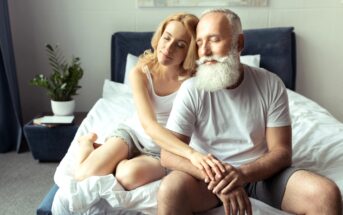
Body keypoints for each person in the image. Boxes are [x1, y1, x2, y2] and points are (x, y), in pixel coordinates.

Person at [157, 9, 342, 215]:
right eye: (200, 43)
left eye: (214, 40)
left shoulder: (270, 84)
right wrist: (220, 179)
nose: (205, 51)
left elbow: (282, 152)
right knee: (169, 190)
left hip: (261, 177)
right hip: (207, 181)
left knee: (326, 194)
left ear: (239, 43)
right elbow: (168, 155)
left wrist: (242, 174)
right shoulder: (191, 90)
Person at [74, 12, 224, 191]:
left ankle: (116, 160)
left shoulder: (196, 80)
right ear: (159, 36)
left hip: (166, 149)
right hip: (133, 135)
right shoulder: (140, 72)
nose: (168, 48)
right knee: (83, 176)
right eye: (166, 38)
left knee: (127, 176)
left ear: (190, 51)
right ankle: (87, 142)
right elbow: (148, 125)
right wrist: (192, 154)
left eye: (180, 45)